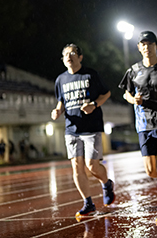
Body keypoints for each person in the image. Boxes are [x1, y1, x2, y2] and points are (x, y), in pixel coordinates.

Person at [51, 43, 115, 222]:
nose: (69, 57)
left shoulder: (90, 74)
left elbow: (106, 93)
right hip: (71, 129)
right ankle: (88, 202)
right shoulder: (60, 80)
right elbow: (61, 101)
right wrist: (57, 111)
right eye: (65, 55)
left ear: (80, 57)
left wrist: (94, 105)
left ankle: (106, 184)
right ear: (63, 60)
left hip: (91, 127)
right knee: (76, 167)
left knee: (92, 165)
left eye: (72, 54)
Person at [118, 31, 157, 222]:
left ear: (156, 45)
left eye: (150, 44)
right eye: (143, 44)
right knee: (152, 170)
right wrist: (133, 99)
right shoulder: (133, 70)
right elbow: (125, 93)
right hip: (144, 123)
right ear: (139, 47)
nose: (146, 47)